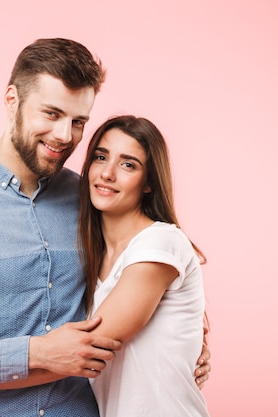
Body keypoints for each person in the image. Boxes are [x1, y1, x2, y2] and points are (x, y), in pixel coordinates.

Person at [0, 38, 211, 417]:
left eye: (78, 121)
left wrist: (189, 341)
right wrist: (36, 354)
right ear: (12, 99)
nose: (64, 135)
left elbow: (154, 274)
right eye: (51, 113)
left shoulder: (91, 197)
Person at [78, 115, 211, 416]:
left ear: (149, 182)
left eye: (128, 164)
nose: (107, 173)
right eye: (101, 157)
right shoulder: (88, 256)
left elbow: (88, 346)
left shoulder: (161, 242)